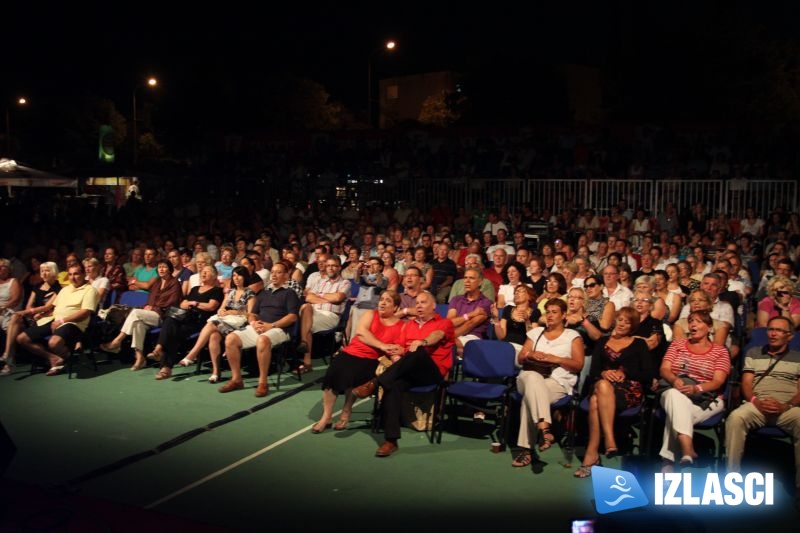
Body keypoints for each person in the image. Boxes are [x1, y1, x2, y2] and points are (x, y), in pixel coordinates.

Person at [351, 290, 455, 457]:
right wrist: (396, 356)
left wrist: (423, 341)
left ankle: (374, 383)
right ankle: (391, 440)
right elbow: (399, 348)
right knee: (393, 385)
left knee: (418, 351)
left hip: (432, 372)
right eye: (417, 303)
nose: (419, 306)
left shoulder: (444, 322)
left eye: (424, 302)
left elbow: (437, 335)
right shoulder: (410, 325)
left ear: (434, 306)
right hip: (409, 371)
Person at [725, 316, 800, 504]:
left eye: (779, 330)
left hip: (787, 408)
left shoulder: (798, 359)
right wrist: (755, 401)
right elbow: (747, 383)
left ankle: (799, 486)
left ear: (789, 336)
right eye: (770, 329)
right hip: (757, 405)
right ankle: (731, 480)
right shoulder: (754, 352)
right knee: (735, 418)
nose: (773, 333)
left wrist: (787, 405)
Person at [575, 307, 652, 477]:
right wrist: (603, 373)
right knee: (602, 385)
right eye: (620, 319)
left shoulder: (639, 344)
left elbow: (648, 374)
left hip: (628, 389)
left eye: (627, 321)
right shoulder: (602, 342)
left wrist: (625, 373)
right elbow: (593, 371)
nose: (622, 324)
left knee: (595, 401)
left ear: (632, 326)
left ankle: (591, 454)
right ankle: (610, 439)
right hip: (601, 385)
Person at [312, 290, 404, 433]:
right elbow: (361, 332)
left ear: (396, 307)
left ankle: (346, 411)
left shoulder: (400, 326)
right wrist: (382, 345)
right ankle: (326, 416)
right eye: (382, 299)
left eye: (388, 301)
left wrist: (394, 353)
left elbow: (396, 348)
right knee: (333, 373)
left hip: (372, 358)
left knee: (354, 375)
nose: (383, 303)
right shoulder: (370, 314)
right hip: (352, 351)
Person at [511, 299, 585, 468]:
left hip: (557, 382)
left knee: (529, 399)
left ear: (564, 315)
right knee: (532, 377)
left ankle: (526, 450)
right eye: (548, 312)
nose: (550, 316)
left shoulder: (572, 336)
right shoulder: (536, 332)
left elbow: (578, 365)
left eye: (554, 312)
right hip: (528, 376)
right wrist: (531, 354)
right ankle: (545, 428)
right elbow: (520, 358)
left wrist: (556, 359)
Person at [658, 310, 730, 467]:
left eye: (698, 321)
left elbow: (718, 381)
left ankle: (668, 462)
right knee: (673, 395)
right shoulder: (677, 345)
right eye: (691, 321)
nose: (693, 325)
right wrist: (674, 379)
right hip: (675, 390)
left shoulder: (720, 351)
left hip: (706, 398)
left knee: (675, 413)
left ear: (710, 328)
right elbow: (664, 369)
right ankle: (687, 449)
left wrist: (697, 388)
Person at [220, 261, 300, 396]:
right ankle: (237, 379)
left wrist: (271, 325)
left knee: (263, 340)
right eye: (273, 272)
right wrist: (253, 323)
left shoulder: (290, 293)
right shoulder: (263, 293)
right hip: (259, 326)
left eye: (278, 272)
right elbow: (252, 314)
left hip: (280, 328)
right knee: (230, 338)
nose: (274, 275)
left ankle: (263, 382)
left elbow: (292, 317)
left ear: (286, 276)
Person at [15, 263, 99, 376]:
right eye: (70, 274)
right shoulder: (65, 289)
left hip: (74, 324)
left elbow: (84, 313)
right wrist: (42, 314)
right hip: (54, 320)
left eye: (76, 274)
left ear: (84, 274)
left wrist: (62, 321)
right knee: (22, 338)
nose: (72, 277)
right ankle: (54, 358)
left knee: (53, 343)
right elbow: (53, 307)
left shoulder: (90, 290)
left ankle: (68, 357)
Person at [177, 266, 255, 382]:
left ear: (245, 277)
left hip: (239, 324)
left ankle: (192, 354)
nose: (236, 278)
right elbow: (221, 308)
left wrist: (234, 312)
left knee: (212, 324)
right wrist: (222, 311)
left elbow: (250, 314)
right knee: (214, 336)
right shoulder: (231, 292)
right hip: (226, 321)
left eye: (239, 275)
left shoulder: (249, 293)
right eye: (234, 275)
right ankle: (216, 371)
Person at [100, 259, 182, 370]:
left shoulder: (175, 283)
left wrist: (153, 307)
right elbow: (151, 299)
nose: (161, 269)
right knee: (137, 323)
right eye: (159, 267)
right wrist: (147, 306)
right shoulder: (157, 282)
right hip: (150, 314)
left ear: (170, 269)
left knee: (135, 313)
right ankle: (140, 358)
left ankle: (117, 341)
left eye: (164, 267)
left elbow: (172, 302)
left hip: (163, 316)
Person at [148, 265, 223, 380]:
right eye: (202, 271)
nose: (203, 274)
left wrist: (195, 304)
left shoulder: (217, 291)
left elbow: (211, 306)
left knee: (172, 332)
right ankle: (160, 352)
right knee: (169, 321)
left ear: (214, 276)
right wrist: (192, 303)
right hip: (185, 318)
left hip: (200, 322)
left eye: (207, 272)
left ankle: (163, 360)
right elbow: (182, 304)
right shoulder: (194, 289)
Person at [1, 261, 60, 375]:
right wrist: (31, 313)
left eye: (47, 270)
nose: (44, 273)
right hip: (33, 318)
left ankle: (8, 358)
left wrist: (33, 313)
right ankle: (8, 355)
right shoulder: (36, 287)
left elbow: (48, 306)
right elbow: (29, 305)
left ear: (54, 272)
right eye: (42, 270)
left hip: (48, 318)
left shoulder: (58, 288)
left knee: (17, 325)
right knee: (15, 318)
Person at [295, 256, 351, 374]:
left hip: (331, 315)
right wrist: (328, 297)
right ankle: (305, 347)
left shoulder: (345, 282)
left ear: (339, 268)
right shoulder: (320, 281)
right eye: (329, 266)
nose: (331, 268)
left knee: (305, 321)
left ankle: (306, 361)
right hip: (313, 312)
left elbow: (338, 297)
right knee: (306, 307)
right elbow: (308, 297)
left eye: (334, 266)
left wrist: (319, 295)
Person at [447, 267, 491, 357]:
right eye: (465, 278)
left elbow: (470, 324)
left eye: (471, 278)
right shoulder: (456, 299)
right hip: (455, 335)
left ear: (480, 282)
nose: (467, 281)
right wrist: (471, 314)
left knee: (446, 344)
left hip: (473, 337)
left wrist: (447, 337)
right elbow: (449, 322)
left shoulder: (486, 303)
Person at [490, 285, 539, 354]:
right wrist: (496, 319)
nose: (516, 293)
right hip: (505, 345)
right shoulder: (508, 309)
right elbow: (501, 336)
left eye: (520, 291)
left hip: (521, 349)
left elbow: (534, 338)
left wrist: (527, 321)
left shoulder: (534, 312)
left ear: (529, 296)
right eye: (515, 292)